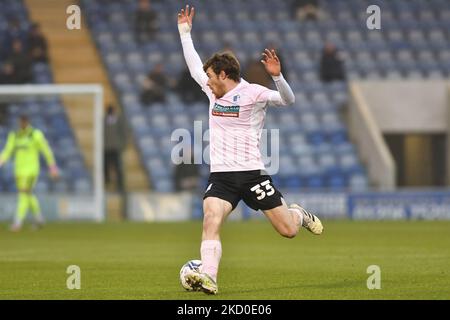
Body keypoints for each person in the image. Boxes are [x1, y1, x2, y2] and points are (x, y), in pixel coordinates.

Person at [177, 5, 323, 295]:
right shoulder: (212, 91)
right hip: (222, 176)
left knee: (288, 231)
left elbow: (288, 100)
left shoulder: (254, 93)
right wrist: (184, 32)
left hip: (253, 175)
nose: (206, 82)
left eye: (210, 77)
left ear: (223, 74)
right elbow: (194, 65)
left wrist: (278, 77)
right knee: (210, 219)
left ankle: (298, 214)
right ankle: (209, 277)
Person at [0, 115, 59, 231]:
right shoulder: (15, 135)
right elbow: (7, 150)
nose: (21, 124)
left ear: (27, 122)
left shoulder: (35, 135)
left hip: (31, 170)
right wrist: (1, 160)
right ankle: (39, 218)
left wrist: (52, 167)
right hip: (19, 171)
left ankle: (17, 222)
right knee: (28, 194)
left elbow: (46, 150)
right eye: (20, 122)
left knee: (23, 194)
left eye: (23, 122)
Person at [104, 105, 127, 192]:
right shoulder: (103, 121)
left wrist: (122, 145)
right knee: (105, 167)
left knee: (117, 167)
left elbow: (124, 133)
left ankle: (120, 185)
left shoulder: (119, 120)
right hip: (105, 148)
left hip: (115, 148)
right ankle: (106, 183)